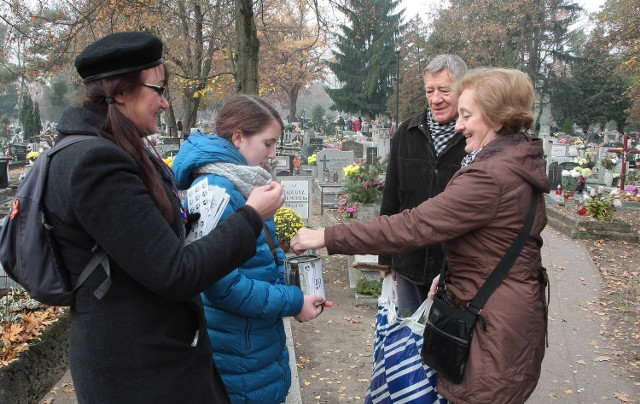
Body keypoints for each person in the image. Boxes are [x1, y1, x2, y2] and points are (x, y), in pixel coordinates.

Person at [47, 32, 284, 403]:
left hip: (154, 355)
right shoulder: (97, 162)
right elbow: (175, 272)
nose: (163, 102)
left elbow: (146, 245)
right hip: (137, 370)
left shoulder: (111, 148)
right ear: (120, 92)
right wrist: (252, 216)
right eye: (157, 89)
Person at [291, 67, 549, 403]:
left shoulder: (491, 176)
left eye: (468, 115)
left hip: (493, 324)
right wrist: (450, 273)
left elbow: (414, 225)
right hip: (506, 311)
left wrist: (326, 236)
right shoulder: (513, 159)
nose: (458, 124)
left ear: (498, 119)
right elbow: (494, 242)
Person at [172, 95, 328, 404]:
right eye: (267, 144)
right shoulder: (219, 190)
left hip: (250, 344)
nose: (272, 154)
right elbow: (224, 287)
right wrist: (295, 301)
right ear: (238, 136)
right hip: (237, 354)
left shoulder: (239, 183)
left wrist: (294, 278)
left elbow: (258, 258)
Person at [379, 54, 468, 315]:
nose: (435, 98)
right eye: (430, 90)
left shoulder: (473, 138)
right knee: (408, 342)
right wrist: (386, 256)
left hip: (453, 267)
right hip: (409, 260)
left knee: (445, 348)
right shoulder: (407, 133)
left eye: (444, 90)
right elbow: (392, 197)